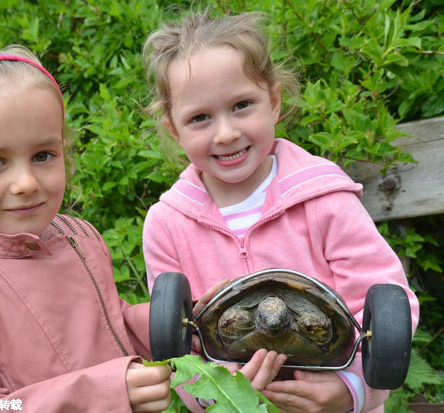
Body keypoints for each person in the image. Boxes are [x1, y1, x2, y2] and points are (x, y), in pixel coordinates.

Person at [141, 10, 419, 413]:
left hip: (331, 397)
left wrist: (351, 390)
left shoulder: (323, 200)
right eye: (200, 118)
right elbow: (178, 344)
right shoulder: (167, 225)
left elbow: (390, 308)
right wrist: (216, 396)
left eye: (241, 105)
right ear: (173, 129)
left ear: (273, 101)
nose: (226, 133)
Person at [0, 44, 175, 413]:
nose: (26, 182)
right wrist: (101, 393)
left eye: (43, 156)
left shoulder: (77, 237)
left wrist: (177, 322)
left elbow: (109, 326)